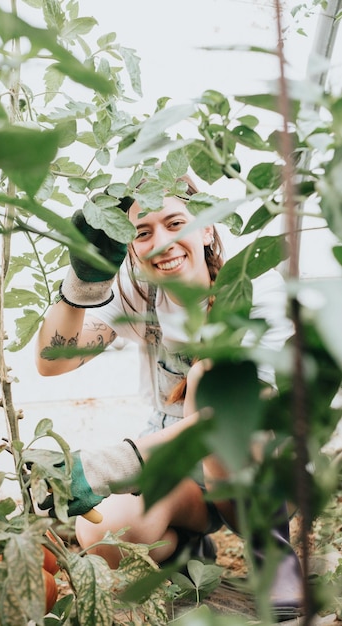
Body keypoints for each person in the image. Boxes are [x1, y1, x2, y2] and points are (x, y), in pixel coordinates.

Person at [35, 174, 303, 616]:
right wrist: (81, 283)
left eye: (175, 223)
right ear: (131, 247)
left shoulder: (255, 287)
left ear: (208, 228)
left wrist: (108, 464)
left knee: (211, 375)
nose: (161, 242)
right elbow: (51, 361)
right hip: (179, 467)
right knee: (106, 538)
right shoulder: (140, 297)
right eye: (142, 231)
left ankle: (272, 557)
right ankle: (187, 551)